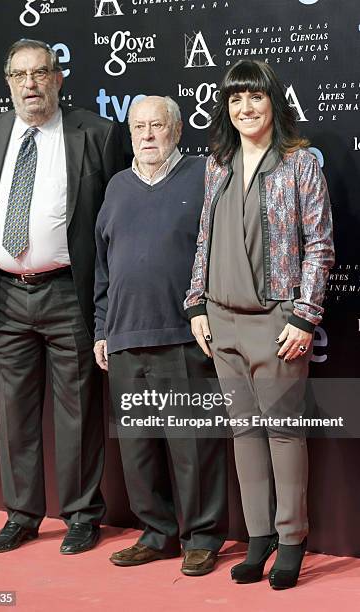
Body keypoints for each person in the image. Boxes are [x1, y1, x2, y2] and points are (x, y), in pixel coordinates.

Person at [185, 60, 334, 589]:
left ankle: (292, 539)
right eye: (235, 100)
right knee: (244, 433)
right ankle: (258, 538)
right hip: (221, 321)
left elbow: (319, 246)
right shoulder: (217, 163)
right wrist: (197, 304)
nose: (245, 109)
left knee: (284, 433)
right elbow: (203, 237)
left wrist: (304, 315)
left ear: (273, 102)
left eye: (255, 98)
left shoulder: (298, 164)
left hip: (277, 323)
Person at [0, 39, 124, 554]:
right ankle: (21, 514)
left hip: (68, 292)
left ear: (58, 78)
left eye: (40, 73)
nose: (30, 84)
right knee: (13, 412)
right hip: (7, 294)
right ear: (9, 82)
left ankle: (82, 514)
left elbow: (112, 220)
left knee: (79, 411)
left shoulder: (96, 134)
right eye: (20, 75)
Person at [94, 96, 228, 576]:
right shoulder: (116, 187)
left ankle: (202, 537)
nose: (147, 135)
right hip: (125, 337)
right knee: (137, 447)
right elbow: (103, 269)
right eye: (139, 127)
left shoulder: (203, 175)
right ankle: (157, 534)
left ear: (175, 129)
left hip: (185, 335)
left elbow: (220, 251)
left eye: (157, 125)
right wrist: (101, 329)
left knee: (194, 443)